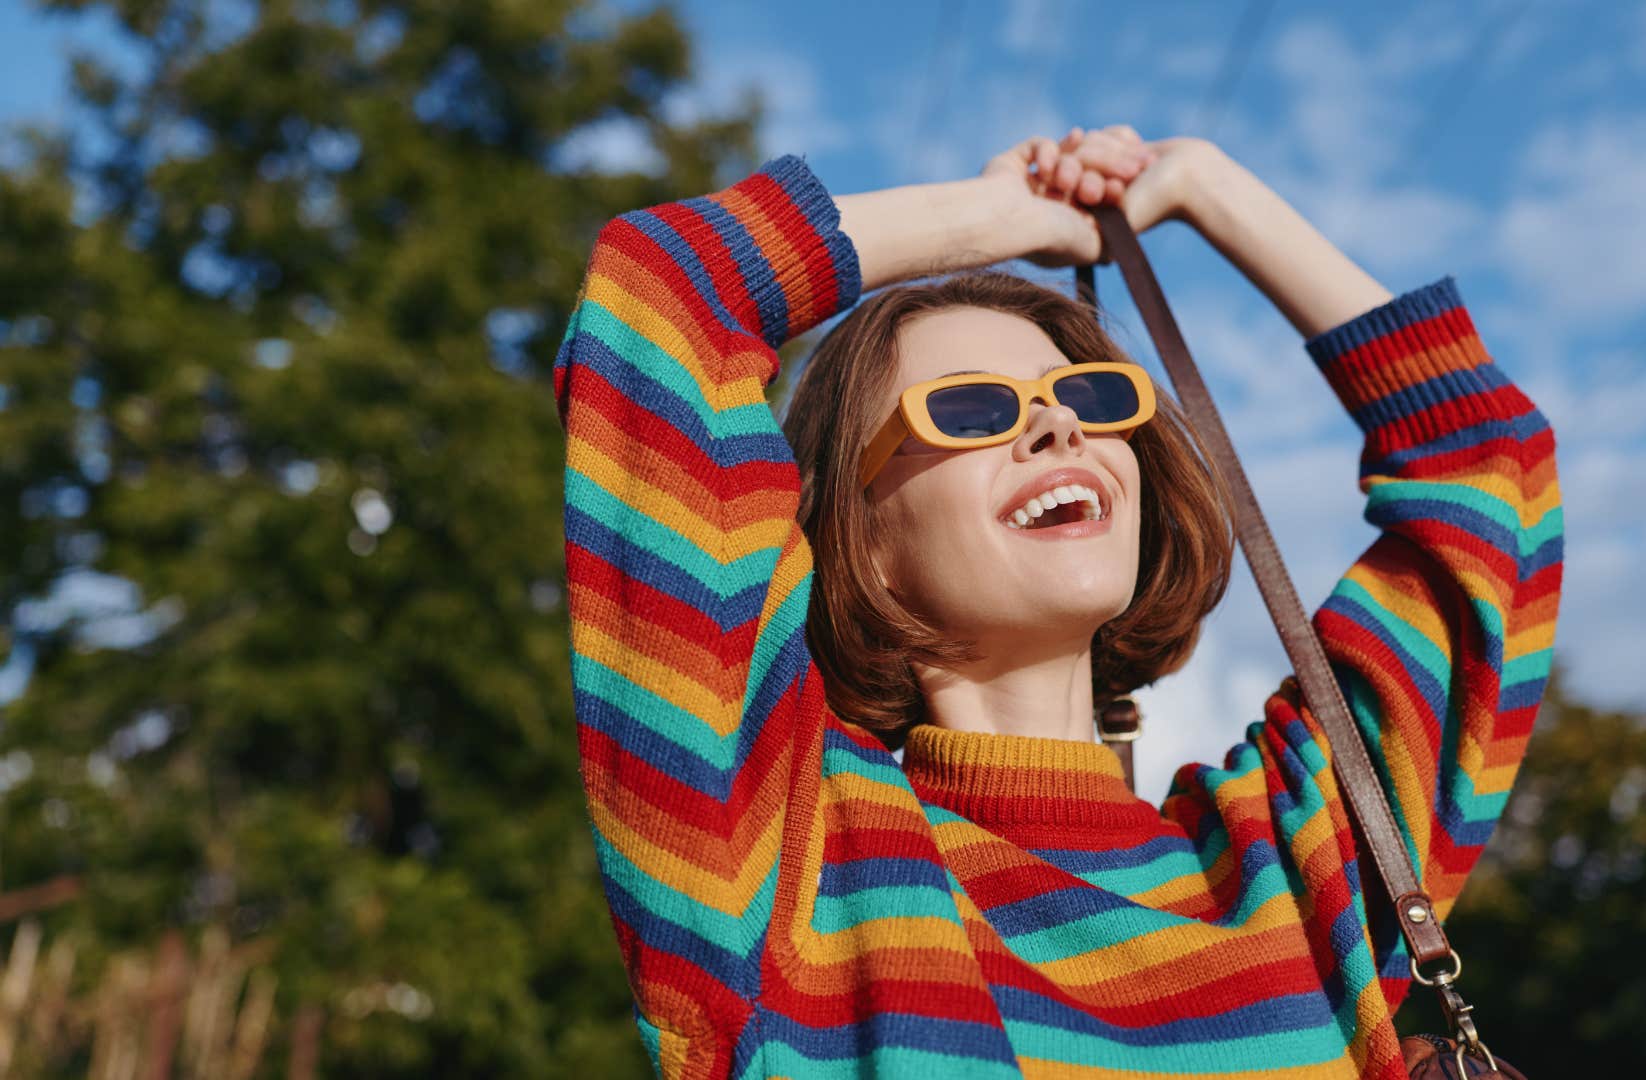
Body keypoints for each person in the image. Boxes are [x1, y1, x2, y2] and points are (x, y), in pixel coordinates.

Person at [551, 124, 1563, 1079]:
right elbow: (662, 295)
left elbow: (1488, 471)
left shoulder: (1297, 869)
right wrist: (1015, 213)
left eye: (1089, 397)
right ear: (860, 539)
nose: (1055, 429)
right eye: (974, 409)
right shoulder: (789, 862)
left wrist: (1205, 186)